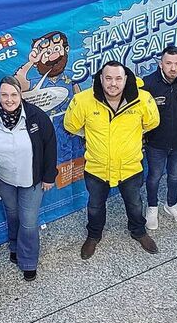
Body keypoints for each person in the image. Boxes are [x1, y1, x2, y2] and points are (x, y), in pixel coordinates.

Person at [63, 61, 161, 259]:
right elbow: (71, 125)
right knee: (95, 205)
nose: (113, 83)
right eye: (108, 78)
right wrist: (90, 136)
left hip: (130, 167)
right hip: (97, 168)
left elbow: (152, 123)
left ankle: (138, 232)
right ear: (100, 79)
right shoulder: (83, 100)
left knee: (134, 203)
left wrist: (131, 138)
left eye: (118, 78)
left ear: (126, 80)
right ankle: (93, 235)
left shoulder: (142, 99)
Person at [0, 77, 58, 281]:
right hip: (3, 179)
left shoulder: (36, 116)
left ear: (21, 95)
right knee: (12, 214)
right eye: (4, 94)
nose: (9, 99)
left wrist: (49, 176)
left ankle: (28, 260)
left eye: (14, 94)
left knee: (28, 222)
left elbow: (50, 145)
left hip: (33, 179)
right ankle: (14, 245)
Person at [140, 46, 177, 231]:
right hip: (156, 143)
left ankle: (171, 204)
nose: (173, 68)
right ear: (160, 64)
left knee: (175, 176)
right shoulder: (148, 84)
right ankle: (152, 208)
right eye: (168, 63)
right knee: (154, 177)